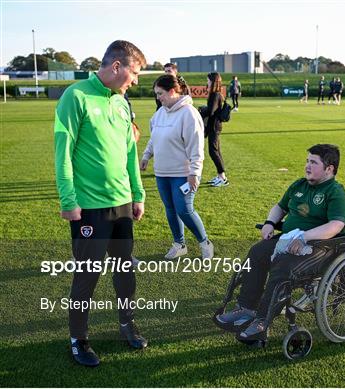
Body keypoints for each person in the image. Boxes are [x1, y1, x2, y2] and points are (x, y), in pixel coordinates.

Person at [54, 40, 147, 367]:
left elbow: (130, 153)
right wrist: (68, 200)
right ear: (117, 66)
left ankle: (127, 324)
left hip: (122, 203)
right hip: (88, 207)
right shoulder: (75, 96)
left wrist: (137, 193)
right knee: (87, 276)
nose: (135, 80)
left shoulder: (122, 103)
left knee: (125, 271)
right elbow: (63, 152)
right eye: (134, 73)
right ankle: (79, 339)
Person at [214, 144, 345, 344]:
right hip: (289, 240)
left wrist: (305, 237)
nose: (307, 166)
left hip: (320, 247)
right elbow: (280, 207)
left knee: (283, 266)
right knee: (257, 252)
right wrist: (270, 222)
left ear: (329, 169)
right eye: (307, 161)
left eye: (313, 162)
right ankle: (246, 308)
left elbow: (336, 225)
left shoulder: (335, 192)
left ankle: (262, 321)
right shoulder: (299, 185)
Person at [140, 74, 214, 260]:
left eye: (160, 93)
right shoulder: (159, 113)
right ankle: (179, 244)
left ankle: (204, 242)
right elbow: (154, 137)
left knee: (184, 209)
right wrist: (146, 155)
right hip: (161, 173)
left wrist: (194, 173)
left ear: (172, 91)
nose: (158, 97)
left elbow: (196, 147)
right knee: (170, 209)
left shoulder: (189, 113)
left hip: (183, 173)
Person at [203, 72, 229, 187]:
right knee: (216, 151)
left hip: (214, 126)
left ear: (213, 81)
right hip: (214, 125)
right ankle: (221, 176)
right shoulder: (216, 94)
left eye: (208, 80)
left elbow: (210, 111)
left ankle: (222, 178)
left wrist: (201, 109)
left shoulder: (215, 94)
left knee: (213, 151)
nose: (207, 82)